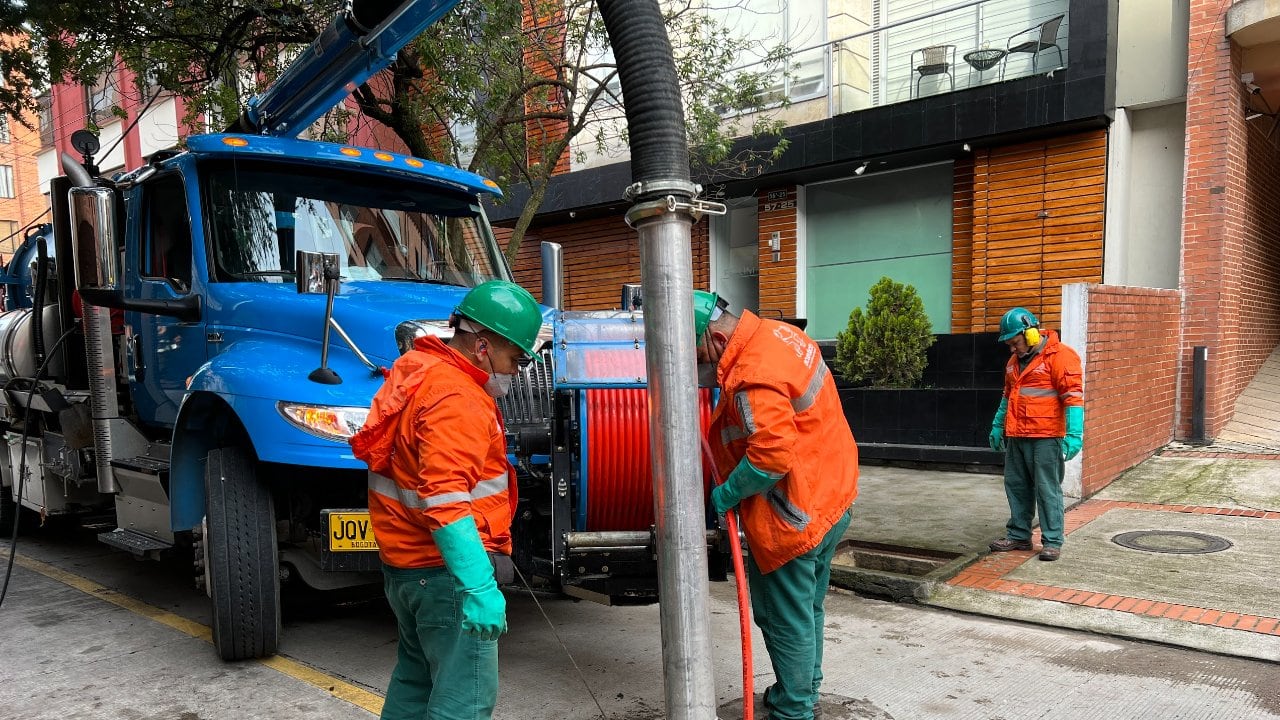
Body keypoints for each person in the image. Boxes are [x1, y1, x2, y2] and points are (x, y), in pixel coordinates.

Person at [350, 279, 542, 720]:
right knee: (464, 701)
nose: (516, 371)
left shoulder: (417, 370)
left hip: (407, 569)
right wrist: (477, 586)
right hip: (444, 577)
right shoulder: (457, 397)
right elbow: (447, 498)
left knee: (414, 685)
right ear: (482, 346)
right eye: (515, 358)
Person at [694, 290, 859, 720]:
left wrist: (726, 493)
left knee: (784, 616)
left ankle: (795, 708)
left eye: (692, 354)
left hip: (794, 515)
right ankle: (804, 688)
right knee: (808, 608)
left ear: (713, 337)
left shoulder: (751, 374)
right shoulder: (781, 335)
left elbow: (770, 455)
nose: (696, 368)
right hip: (831, 497)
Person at [986, 307, 1083, 562]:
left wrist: (1074, 433)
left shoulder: (1061, 357)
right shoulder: (1013, 363)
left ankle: (1052, 541)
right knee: (1017, 486)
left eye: (1014, 343)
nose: (1012, 349)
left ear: (1030, 333)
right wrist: (998, 425)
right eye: (1008, 344)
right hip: (1017, 435)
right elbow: (1007, 397)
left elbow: (1073, 397)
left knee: (1047, 489)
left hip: (1046, 437)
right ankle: (1019, 535)